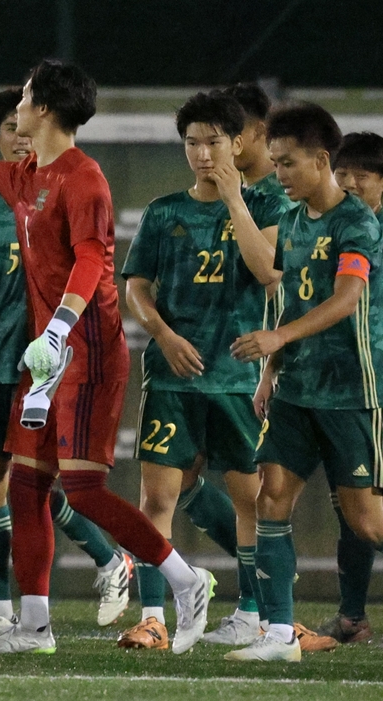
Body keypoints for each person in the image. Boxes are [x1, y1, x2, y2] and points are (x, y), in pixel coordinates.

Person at [0, 52, 214, 655]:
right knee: (27, 489)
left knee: (81, 490)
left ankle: (187, 581)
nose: (18, 104)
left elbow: (90, 261)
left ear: (46, 108)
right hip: (48, 356)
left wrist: (55, 330)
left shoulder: (85, 178)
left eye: (26, 95)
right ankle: (33, 628)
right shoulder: (29, 173)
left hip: (87, 353)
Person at [0, 87, 132, 637]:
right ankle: (3, 610)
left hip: (45, 359)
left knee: (40, 479)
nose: (19, 136)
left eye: (24, 122)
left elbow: (92, 259)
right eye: (9, 130)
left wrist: (62, 329)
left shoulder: (69, 183)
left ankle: (111, 559)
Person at [120, 91, 286, 649]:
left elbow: (268, 272)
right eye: (192, 142)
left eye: (214, 141)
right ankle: (152, 617)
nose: (202, 153)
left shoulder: (267, 206)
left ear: (238, 144)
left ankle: (248, 610)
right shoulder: (164, 211)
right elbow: (135, 287)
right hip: (173, 373)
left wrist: (236, 199)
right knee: (157, 496)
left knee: (250, 497)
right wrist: (162, 335)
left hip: (238, 374)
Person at [228, 102, 383, 662]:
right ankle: (277, 636)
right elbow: (291, 298)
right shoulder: (290, 220)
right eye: (275, 163)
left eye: (288, 163)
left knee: (365, 521)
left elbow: (345, 300)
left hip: (351, 391)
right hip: (295, 389)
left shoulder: (358, 222)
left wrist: (275, 340)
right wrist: (270, 370)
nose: (280, 174)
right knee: (271, 499)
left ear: (322, 160)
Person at [315, 131, 383, 644]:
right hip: (345, 384)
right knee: (353, 509)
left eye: (364, 173)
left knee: (367, 514)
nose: (352, 182)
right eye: (345, 172)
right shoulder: (332, 227)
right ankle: (352, 615)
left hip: (374, 386)